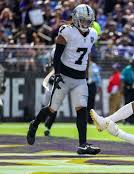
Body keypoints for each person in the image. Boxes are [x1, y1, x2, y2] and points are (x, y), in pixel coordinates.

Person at [26, 4, 100, 155]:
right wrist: (58, 74)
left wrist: (85, 75)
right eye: (83, 20)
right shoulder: (67, 31)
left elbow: (86, 57)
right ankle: (34, 124)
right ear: (75, 19)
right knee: (52, 108)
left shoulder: (93, 33)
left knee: (82, 109)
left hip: (79, 78)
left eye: (88, 21)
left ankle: (83, 144)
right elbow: (57, 55)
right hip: (65, 76)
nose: (85, 24)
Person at [87, 59, 102, 123]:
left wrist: (99, 86)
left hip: (92, 85)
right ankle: (84, 119)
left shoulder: (94, 65)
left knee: (91, 103)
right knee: (84, 103)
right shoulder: (83, 64)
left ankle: (90, 119)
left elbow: (97, 76)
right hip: (84, 83)